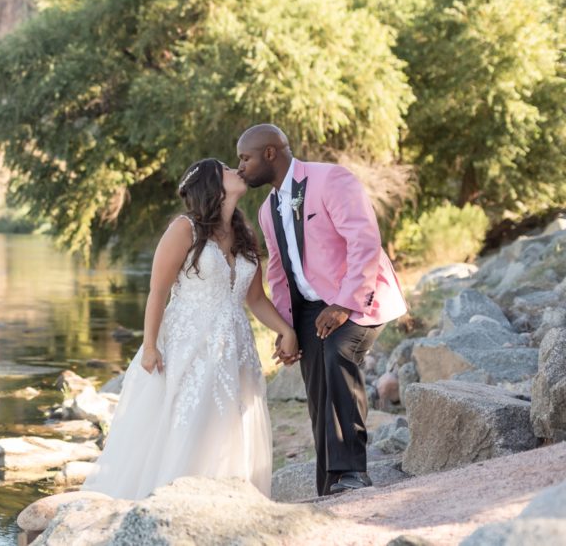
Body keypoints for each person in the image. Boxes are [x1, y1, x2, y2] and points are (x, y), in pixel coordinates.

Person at [82, 158, 300, 500]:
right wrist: (150, 345)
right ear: (212, 185)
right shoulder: (185, 229)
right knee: (191, 424)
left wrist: (286, 330)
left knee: (230, 424)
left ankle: (227, 506)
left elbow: (255, 298)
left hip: (236, 348)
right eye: (227, 169)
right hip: (190, 346)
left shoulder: (245, 234)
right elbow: (158, 289)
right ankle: (172, 507)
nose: (237, 170)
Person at [236, 125, 407, 496]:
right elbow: (279, 272)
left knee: (337, 353)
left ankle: (353, 472)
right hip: (310, 308)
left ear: (270, 154)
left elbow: (364, 241)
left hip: (359, 298)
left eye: (244, 158)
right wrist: (286, 329)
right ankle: (329, 483)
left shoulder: (330, 179)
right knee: (316, 386)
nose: (240, 167)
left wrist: (344, 304)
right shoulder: (268, 210)